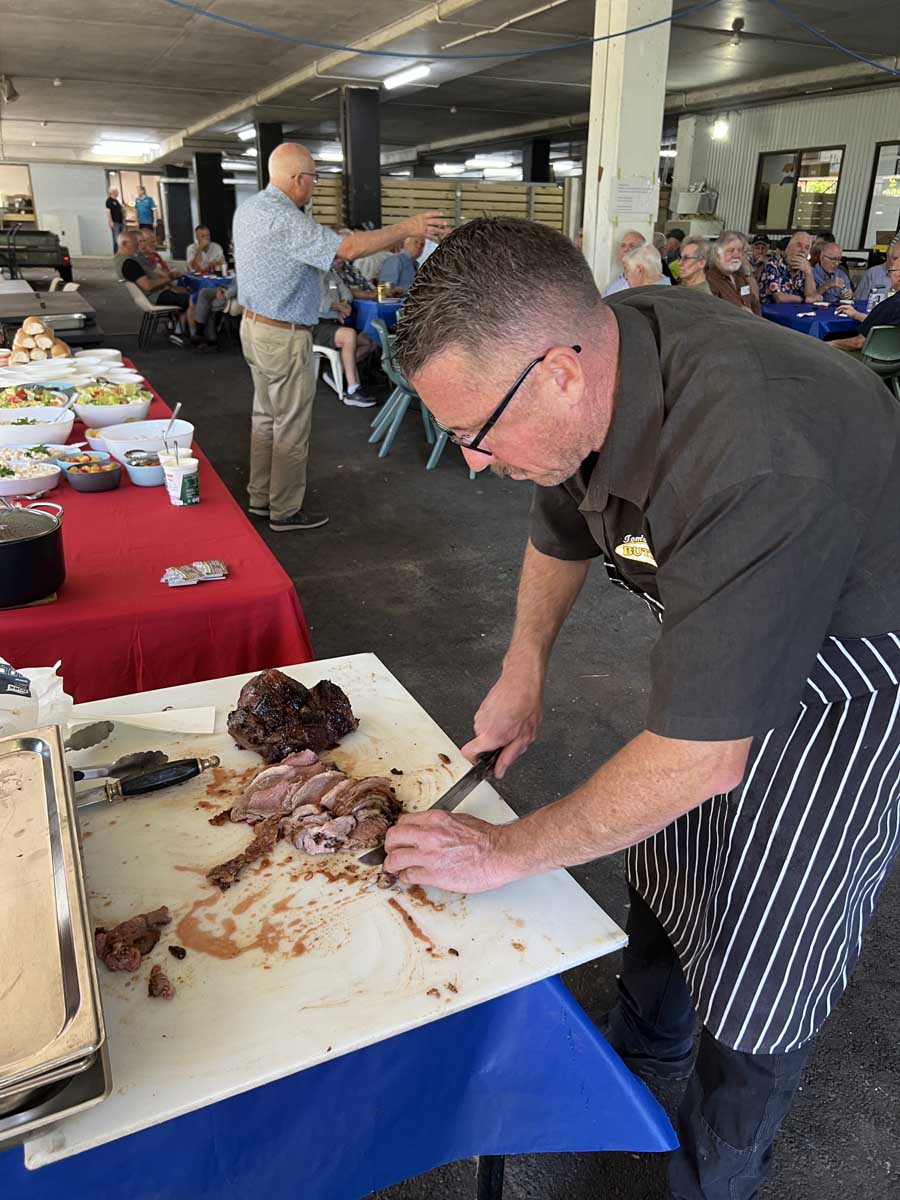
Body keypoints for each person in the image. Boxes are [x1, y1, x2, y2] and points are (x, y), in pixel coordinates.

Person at [387, 215, 900, 1200]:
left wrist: (505, 851)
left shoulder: (753, 448)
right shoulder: (602, 356)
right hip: (732, 602)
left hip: (855, 665)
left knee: (770, 939)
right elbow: (560, 519)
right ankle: (642, 1057)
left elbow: (702, 757)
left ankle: (717, 1167)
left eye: (472, 435)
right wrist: (525, 668)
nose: (473, 465)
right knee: (670, 855)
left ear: (557, 375)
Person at [232, 141, 446, 533]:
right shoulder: (283, 217)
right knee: (290, 425)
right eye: (314, 178)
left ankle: (261, 497)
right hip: (283, 335)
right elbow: (346, 249)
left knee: (266, 419)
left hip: (254, 327)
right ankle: (284, 510)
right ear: (298, 179)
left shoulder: (250, 209)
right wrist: (407, 228)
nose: (314, 186)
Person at [115, 230, 195, 345]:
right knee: (193, 299)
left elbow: (153, 274)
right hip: (154, 297)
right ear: (124, 244)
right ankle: (194, 335)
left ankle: (179, 330)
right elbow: (148, 286)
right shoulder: (129, 263)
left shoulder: (123, 259)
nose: (138, 247)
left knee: (186, 294)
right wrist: (169, 279)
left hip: (151, 295)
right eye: (136, 244)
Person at [314, 264, 376, 407]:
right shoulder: (312, 274)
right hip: (317, 325)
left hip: (333, 323)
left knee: (370, 342)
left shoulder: (332, 273)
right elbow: (317, 303)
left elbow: (347, 294)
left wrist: (343, 304)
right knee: (349, 335)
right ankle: (352, 390)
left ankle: (336, 370)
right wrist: (337, 306)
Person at [829, 261, 900, 352]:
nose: (889, 276)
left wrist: (828, 344)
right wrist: (856, 315)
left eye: (890, 271)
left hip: (872, 356)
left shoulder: (891, 305)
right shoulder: (892, 306)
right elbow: (882, 322)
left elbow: (859, 343)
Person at [707, 231, 761, 315]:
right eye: (730, 250)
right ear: (717, 255)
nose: (736, 255)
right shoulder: (709, 280)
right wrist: (739, 312)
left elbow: (755, 303)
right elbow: (712, 313)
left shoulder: (740, 277)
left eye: (739, 250)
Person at [757, 230, 817, 303]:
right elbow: (779, 297)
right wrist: (805, 299)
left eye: (806, 248)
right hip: (770, 309)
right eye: (799, 246)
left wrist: (808, 273)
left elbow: (812, 297)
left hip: (796, 309)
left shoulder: (805, 269)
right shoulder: (773, 264)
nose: (802, 250)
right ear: (788, 248)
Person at [855, 242, 900, 310]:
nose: (898, 262)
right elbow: (859, 302)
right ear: (887, 256)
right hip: (874, 313)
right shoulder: (872, 273)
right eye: (895, 258)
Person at [193, 279, 238, 347]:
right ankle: (208, 337)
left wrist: (225, 294)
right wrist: (221, 288)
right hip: (228, 289)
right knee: (204, 294)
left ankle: (200, 332)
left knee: (205, 297)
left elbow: (237, 286)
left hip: (232, 295)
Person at [603, 230, 646, 297]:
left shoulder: (653, 283)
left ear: (643, 251)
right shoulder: (612, 289)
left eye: (632, 246)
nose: (625, 249)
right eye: (623, 245)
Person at [106, 188, 124, 253]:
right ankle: (116, 253)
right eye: (117, 191)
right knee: (116, 239)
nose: (118, 193)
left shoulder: (116, 201)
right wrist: (110, 221)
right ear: (112, 192)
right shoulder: (109, 201)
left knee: (121, 238)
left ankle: (121, 252)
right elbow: (108, 212)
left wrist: (123, 220)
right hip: (115, 223)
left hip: (120, 222)